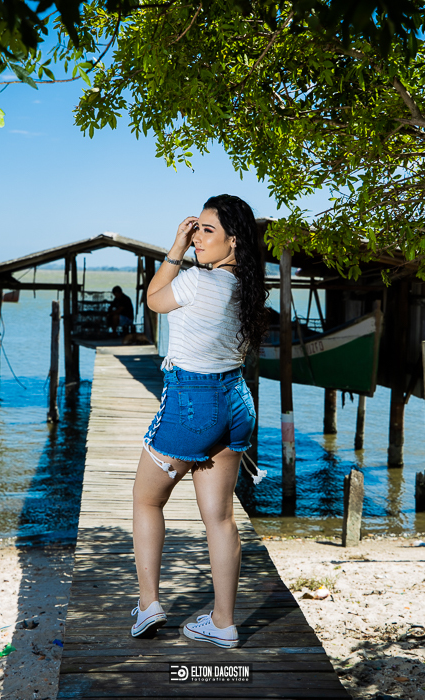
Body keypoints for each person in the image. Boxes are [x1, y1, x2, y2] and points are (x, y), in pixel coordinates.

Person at [131, 194, 269, 648]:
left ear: (234, 241)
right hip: (236, 403)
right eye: (195, 229)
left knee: (146, 500)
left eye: (207, 230)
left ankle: (149, 604)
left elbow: (153, 299)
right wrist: (188, 243)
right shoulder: (246, 290)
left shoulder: (195, 281)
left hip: (193, 403)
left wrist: (174, 247)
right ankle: (223, 623)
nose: (196, 238)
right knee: (220, 517)